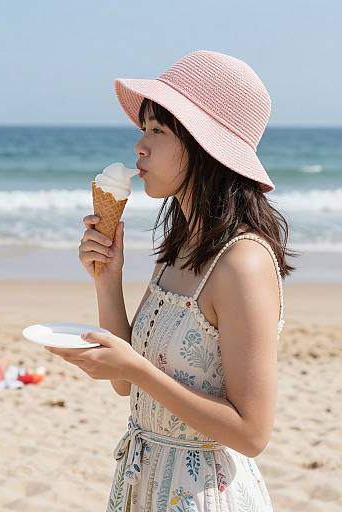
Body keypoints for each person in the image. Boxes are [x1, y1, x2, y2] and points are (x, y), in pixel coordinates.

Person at [46, 50, 295, 511]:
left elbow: (252, 433)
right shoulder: (180, 246)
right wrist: (107, 279)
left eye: (158, 131)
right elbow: (128, 386)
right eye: (144, 129)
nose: (140, 146)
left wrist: (135, 368)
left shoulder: (242, 263)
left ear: (206, 146)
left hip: (202, 495)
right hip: (145, 481)